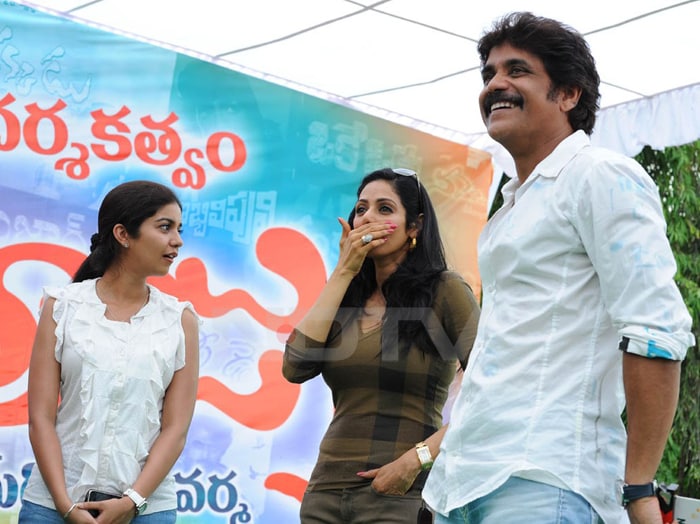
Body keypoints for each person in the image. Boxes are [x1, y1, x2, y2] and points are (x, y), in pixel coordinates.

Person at [422, 11, 695, 524]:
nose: (496, 85)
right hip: (464, 482)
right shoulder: (509, 208)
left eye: (517, 70)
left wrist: (638, 489)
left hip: (546, 481)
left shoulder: (600, 175)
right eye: (489, 74)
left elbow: (657, 332)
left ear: (569, 94)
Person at [283, 167, 480, 522]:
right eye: (361, 209)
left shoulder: (445, 291)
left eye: (384, 209)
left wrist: (415, 460)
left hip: (400, 493)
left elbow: (492, 388)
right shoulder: (346, 297)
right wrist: (343, 271)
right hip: (325, 491)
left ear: (415, 227)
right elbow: (294, 368)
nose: (367, 218)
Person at [19, 180, 200, 523]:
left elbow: (175, 429)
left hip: (146, 509)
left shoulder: (180, 319)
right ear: (123, 234)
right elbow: (40, 418)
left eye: (179, 229)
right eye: (165, 227)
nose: (177, 240)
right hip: (52, 505)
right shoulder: (62, 306)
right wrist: (65, 505)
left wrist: (131, 501)